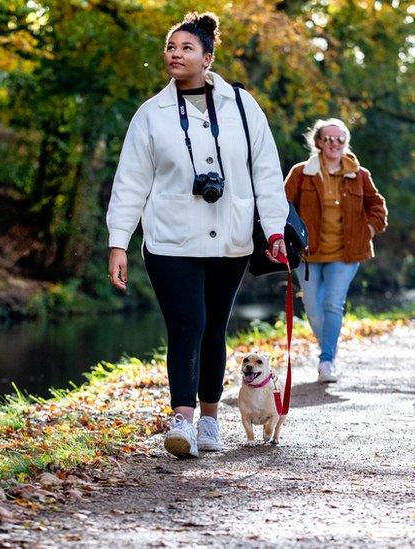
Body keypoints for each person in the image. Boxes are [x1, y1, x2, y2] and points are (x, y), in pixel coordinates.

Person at [106, 12, 289, 458]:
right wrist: (119, 241)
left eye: (187, 48)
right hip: (170, 239)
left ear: (208, 58)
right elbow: (130, 180)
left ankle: (210, 419)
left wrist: (276, 229)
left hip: (230, 237)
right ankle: (182, 422)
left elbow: (266, 172)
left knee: (213, 328)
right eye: (171, 47)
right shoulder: (151, 115)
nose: (175, 54)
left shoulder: (243, 106)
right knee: (186, 324)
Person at [284, 119, 387, 383]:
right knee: (311, 306)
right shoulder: (301, 172)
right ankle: (328, 348)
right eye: (329, 138)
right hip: (308, 254)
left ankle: (327, 360)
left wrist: (369, 230)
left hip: (346, 253)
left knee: (333, 303)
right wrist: (286, 237)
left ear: (346, 142)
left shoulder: (359, 174)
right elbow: (282, 206)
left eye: (340, 139)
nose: (335, 143)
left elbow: (377, 208)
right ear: (318, 142)